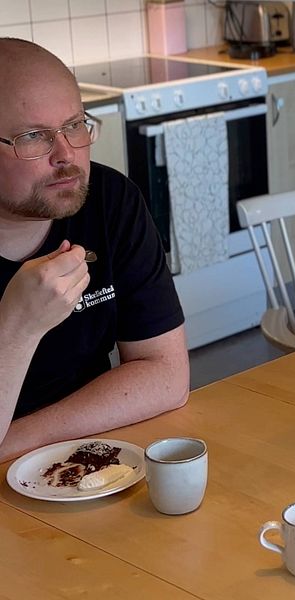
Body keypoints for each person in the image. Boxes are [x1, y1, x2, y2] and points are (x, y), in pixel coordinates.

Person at [0, 38, 190, 462]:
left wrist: (18, 439)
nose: (67, 155)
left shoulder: (109, 198)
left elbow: (166, 375)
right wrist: (18, 325)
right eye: (33, 136)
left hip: (83, 461)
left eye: (74, 125)